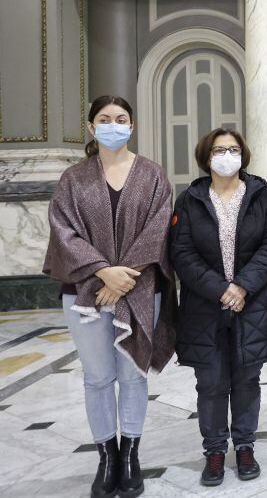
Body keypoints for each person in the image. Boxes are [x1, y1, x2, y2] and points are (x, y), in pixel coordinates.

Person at [43, 95, 176, 498]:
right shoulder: (73, 178)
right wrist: (103, 271)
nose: (113, 125)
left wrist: (122, 279)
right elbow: (63, 231)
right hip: (85, 292)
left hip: (139, 289)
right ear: (91, 127)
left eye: (121, 119)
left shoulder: (153, 175)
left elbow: (158, 231)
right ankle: (107, 455)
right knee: (98, 378)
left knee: (133, 373)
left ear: (132, 126)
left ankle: (131, 452)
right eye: (104, 119)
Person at [170, 128, 267, 485]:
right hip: (204, 307)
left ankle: (246, 445)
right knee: (210, 382)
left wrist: (242, 286)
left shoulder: (260, 193)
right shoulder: (190, 199)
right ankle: (215, 451)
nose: (226, 155)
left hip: (252, 304)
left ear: (243, 154)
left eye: (233, 149)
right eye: (219, 149)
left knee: (248, 379)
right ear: (207, 156)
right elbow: (182, 253)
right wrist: (222, 290)